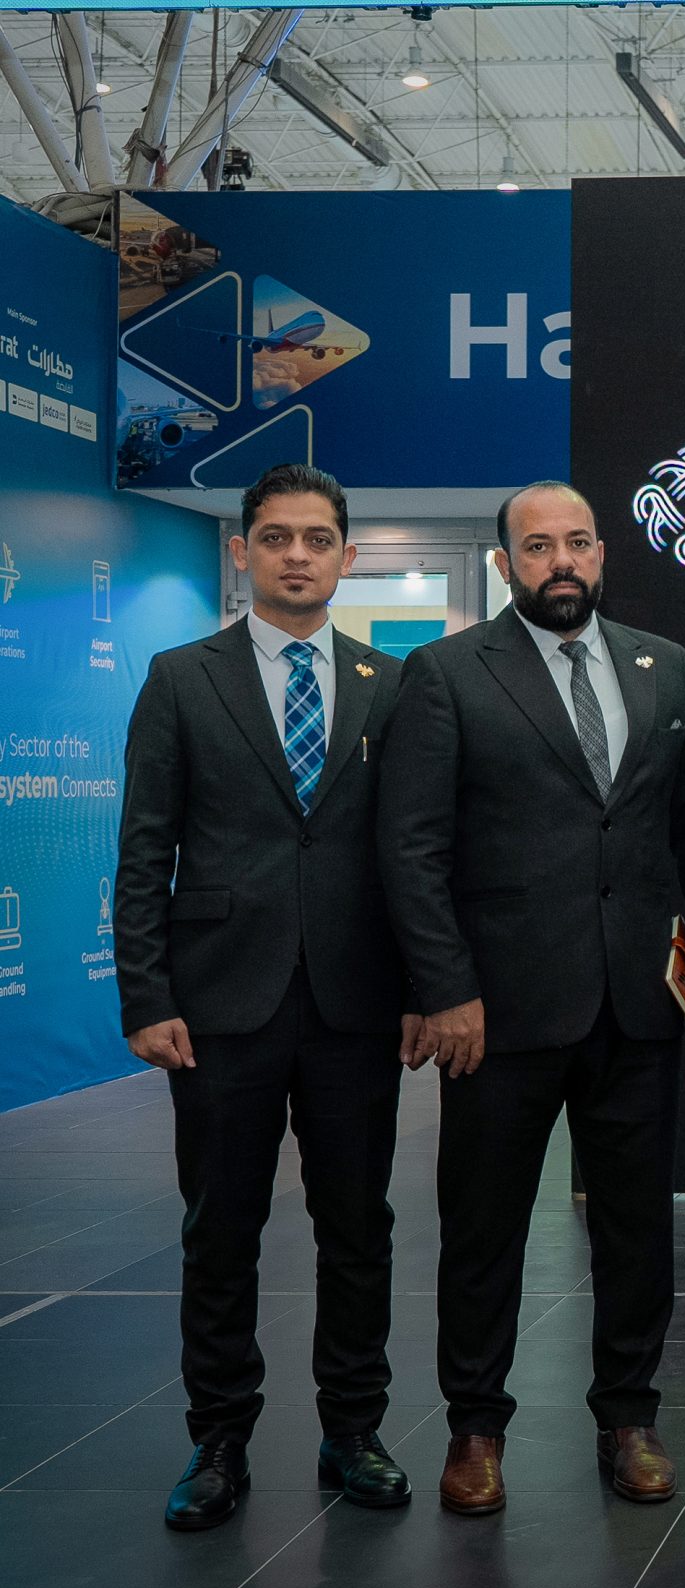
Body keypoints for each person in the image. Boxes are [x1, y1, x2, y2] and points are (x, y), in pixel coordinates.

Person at [377, 481, 685, 1516]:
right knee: (484, 1232)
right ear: (504, 564)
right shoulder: (445, 674)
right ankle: (475, 1429)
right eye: (537, 546)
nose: (560, 561)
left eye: (576, 542)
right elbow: (412, 848)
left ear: (603, 552)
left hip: (638, 1005)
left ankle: (630, 1419)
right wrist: (445, 989)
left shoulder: (664, 665)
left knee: (635, 1230)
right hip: (498, 1014)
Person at [114, 463, 417, 1529]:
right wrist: (146, 995)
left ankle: (355, 1430)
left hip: (355, 1005)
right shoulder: (180, 679)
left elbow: (412, 853)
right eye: (277, 537)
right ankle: (219, 1440)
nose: (298, 555)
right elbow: (143, 850)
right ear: (243, 551)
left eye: (318, 539)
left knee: (359, 1227)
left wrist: (425, 987)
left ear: (346, 556)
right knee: (220, 1230)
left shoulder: (391, 684)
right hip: (218, 1006)